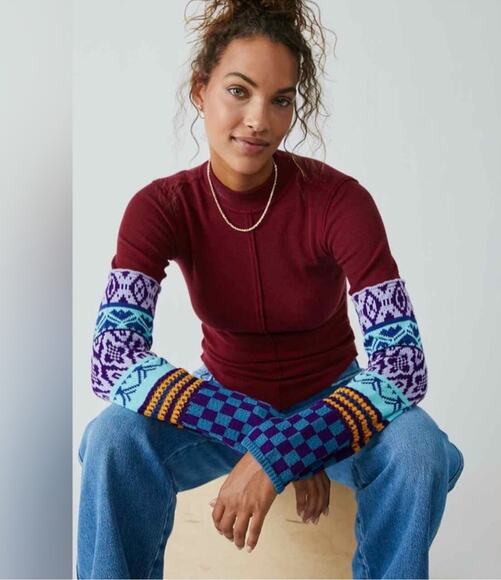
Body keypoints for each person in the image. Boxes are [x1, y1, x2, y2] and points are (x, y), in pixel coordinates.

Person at [76, 0, 465, 578]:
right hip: (223, 403)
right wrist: (275, 441)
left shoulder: (339, 201)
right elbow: (113, 360)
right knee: (112, 436)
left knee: (418, 450)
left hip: (336, 397)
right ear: (200, 90)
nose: (258, 118)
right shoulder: (160, 207)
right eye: (239, 91)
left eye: (280, 100)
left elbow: (402, 366)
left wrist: (294, 445)